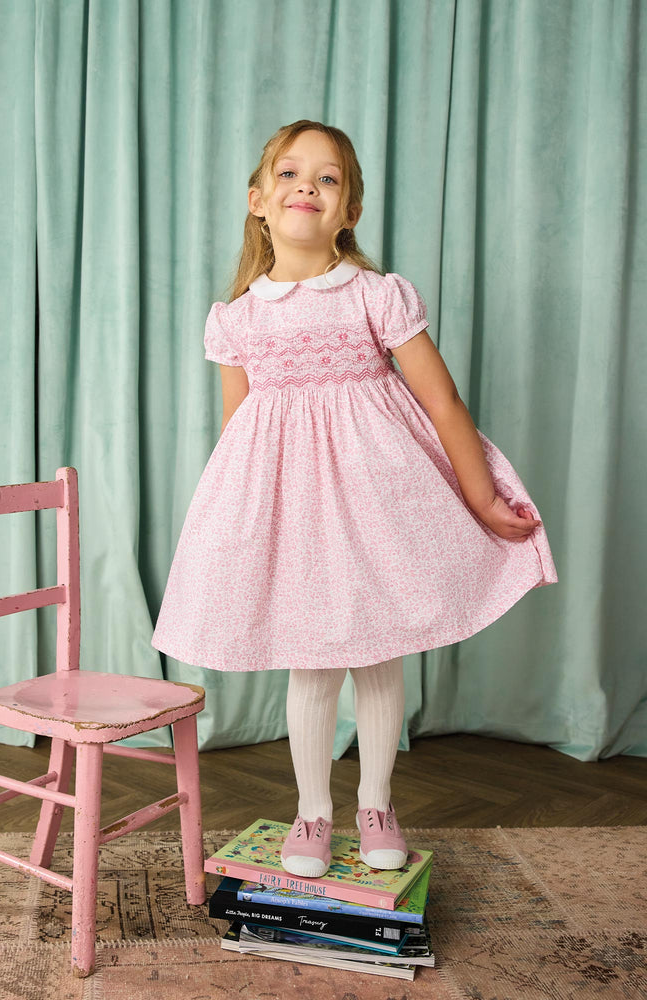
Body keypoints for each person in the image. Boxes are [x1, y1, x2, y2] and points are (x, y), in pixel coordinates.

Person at [151, 120, 557, 879]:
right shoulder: (236, 318)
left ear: (348, 212)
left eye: (328, 179)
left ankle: (376, 801)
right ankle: (312, 810)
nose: (307, 186)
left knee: (377, 654)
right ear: (259, 201)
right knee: (309, 662)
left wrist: (482, 497)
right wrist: (240, 532)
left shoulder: (376, 296)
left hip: (378, 505)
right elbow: (238, 430)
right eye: (291, 174)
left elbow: (441, 404)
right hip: (292, 515)